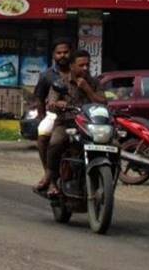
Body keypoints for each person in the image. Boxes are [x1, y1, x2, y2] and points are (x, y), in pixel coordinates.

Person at [44, 49, 107, 197]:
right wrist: (57, 104)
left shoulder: (94, 82)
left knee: (114, 144)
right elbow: (51, 102)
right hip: (67, 123)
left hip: (90, 126)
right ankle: (52, 181)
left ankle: (107, 179)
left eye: (87, 65)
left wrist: (87, 89)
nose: (85, 68)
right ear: (72, 66)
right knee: (55, 143)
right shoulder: (61, 82)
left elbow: (104, 102)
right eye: (81, 65)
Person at [32, 39, 73, 192]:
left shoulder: (78, 72)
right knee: (43, 134)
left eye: (65, 52)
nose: (62, 55)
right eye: (59, 53)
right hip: (54, 115)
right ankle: (49, 175)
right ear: (54, 55)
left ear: (71, 53)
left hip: (77, 115)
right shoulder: (47, 75)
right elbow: (39, 98)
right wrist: (41, 116)